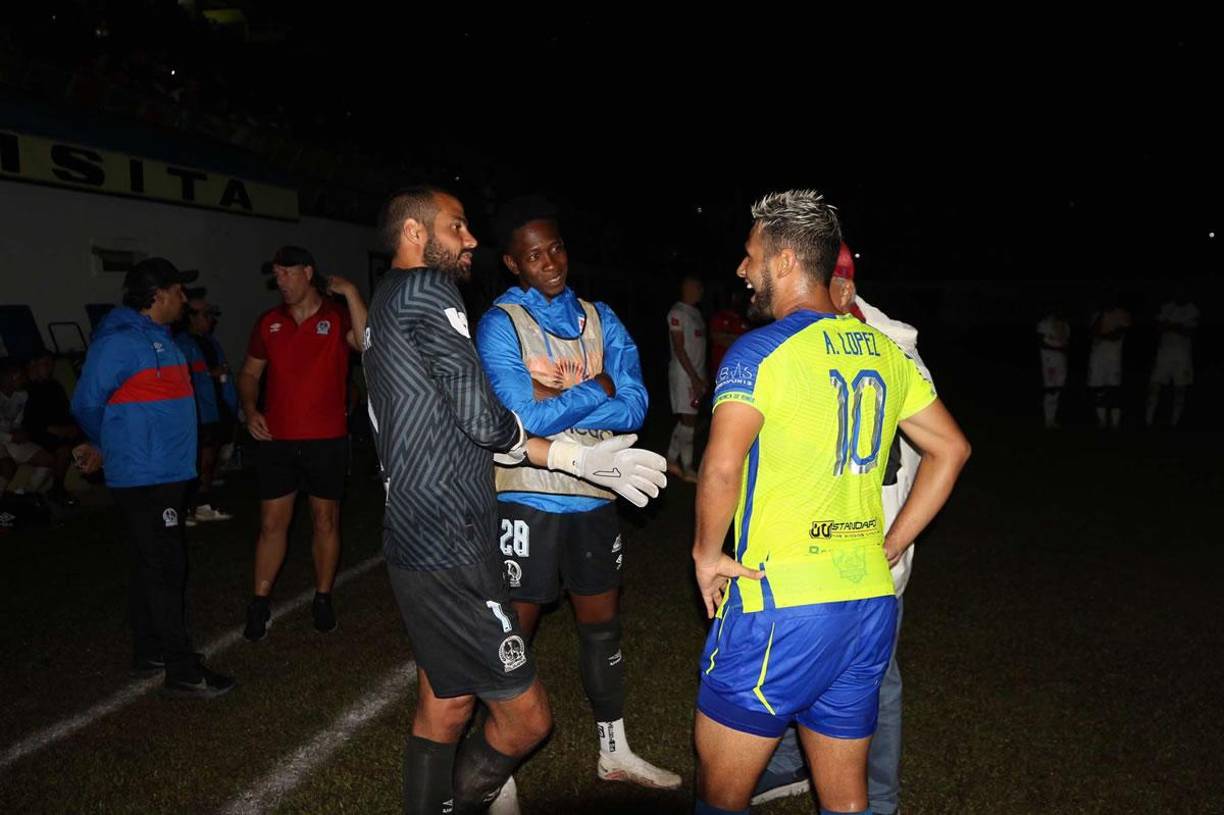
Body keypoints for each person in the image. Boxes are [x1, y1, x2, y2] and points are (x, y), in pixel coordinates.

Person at [364, 186, 666, 814]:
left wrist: (557, 421)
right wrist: (576, 443)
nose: (470, 239)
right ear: (416, 233)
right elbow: (492, 417)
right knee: (527, 718)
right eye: (457, 227)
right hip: (451, 531)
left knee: (445, 703)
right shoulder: (431, 292)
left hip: (424, 526)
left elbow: (624, 401)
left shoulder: (388, 295)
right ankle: (477, 792)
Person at [692, 191, 970, 815]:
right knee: (846, 803)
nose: (742, 269)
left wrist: (706, 554)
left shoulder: (759, 351)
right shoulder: (885, 350)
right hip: (868, 602)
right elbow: (951, 449)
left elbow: (720, 466)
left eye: (751, 255)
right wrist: (893, 543)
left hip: (781, 607)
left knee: (719, 796)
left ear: (785, 261)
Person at [475, 195, 681, 790]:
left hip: (596, 492)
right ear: (513, 263)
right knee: (513, 636)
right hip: (527, 495)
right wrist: (599, 385)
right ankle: (499, 770)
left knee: (603, 627)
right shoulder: (501, 324)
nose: (550, 263)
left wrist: (557, 396)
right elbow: (519, 419)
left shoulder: (600, 317)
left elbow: (636, 406)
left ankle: (614, 751)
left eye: (556, 248)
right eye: (534, 255)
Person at [750, 245, 933, 815]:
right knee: (803, 662)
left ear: (844, 288)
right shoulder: (807, 340)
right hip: (806, 556)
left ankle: (878, 799)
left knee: (876, 678)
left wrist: (895, 543)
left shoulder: (887, 351)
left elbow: (936, 452)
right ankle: (791, 763)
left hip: (864, 558)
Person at [70, 257, 235, 698]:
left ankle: (150, 651)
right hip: (145, 473)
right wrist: (105, 442)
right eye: (179, 291)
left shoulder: (165, 338)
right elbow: (86, 403)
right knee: (166, 565)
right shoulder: (120, 342)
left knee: (150, 564)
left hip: (167, 469)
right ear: (157, 295)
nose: (185, 298)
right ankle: (182, 669)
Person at [237, 246, 367, 640]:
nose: (280, 281)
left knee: (325, 520)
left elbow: (366, 344)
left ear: (308, 272)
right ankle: (259, 602)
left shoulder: (337, 316)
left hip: (326, 440)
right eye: (276, 274)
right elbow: (249, 374)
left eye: (287, 272)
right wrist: (250, 409)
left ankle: (323, 597)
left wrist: (352, 293)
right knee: (271, 524)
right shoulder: (269, 322)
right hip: (276, 440)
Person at [174, 289, 236, 523]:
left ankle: (202, 505)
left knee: (211, 462)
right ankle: (187, 508)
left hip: (217, 409)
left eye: (211, 314)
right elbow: (181, 378)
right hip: (198, 413)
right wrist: (210, 373)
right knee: (200, 461)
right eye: (206, 314)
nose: (211, 319)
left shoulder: (211, 342)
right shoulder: (181, 344)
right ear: (191, 317)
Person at [22, 351, 84, 505]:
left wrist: (72, 427)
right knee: (63, 449)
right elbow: (29, 421)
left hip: (61, 429)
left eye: (51, 365)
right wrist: (54, 429)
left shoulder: (54, 386)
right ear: (33, 364)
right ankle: (57, 489)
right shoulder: (25, 389)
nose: (50, 368)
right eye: (46, 364)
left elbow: (66, 411)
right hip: (39, 432)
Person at [667, 275, 706, 481]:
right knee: (689, 420)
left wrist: (702, 375)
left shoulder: (696, 313)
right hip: (684, 376)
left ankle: (671, 459)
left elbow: (699, 348)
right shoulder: (677, 313)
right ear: (687, 289)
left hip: (696, 374)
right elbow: (679, 349)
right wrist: (694, 378)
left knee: (686, 420)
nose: (700, 291)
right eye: (697, 287)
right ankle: (688, 467)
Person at [0, 359, 55, 497]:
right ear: (11, 376)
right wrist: (11, 437)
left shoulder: (22, 395)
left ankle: (26, 495)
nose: (24, 380)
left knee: (47, 460)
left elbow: (17, 422)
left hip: (10, 438)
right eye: (21, 376)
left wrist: (21, 431)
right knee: (7, 467)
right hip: (4, 439)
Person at [1145, 285, 1198, 428]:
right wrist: (1178, 327)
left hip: (1182, 357)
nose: (1180, 294)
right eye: (1178, 291)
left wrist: (1171, 326)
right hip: (1164, 355)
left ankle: (1174, 423)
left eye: (1183, 292)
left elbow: (1190, 332)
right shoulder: (1166, 307)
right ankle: (1148, 420)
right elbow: (1158, 327)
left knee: (1180, 390)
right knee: (1154, 386)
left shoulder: (1192, 309)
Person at [1087, 298, 1132, 430]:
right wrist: (1101, 316)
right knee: (1098, 389)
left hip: (1114, 359)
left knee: (1114, 390)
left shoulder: (1122, 313)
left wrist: (1101, 335)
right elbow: (1092, 332)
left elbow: (1118, 335)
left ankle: (1115, 422)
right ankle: (1102, 421)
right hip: (1097, 358)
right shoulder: (1097, 314)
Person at [1036, 310, 1071, 429]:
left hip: (1061, 362)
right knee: (1051, 389)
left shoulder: (1065, 325)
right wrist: (1059, 349)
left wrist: (1064, 352)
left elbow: (1066, 343)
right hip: (1049, 361)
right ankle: (1048, 420)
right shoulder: (1044, 323)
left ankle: (1052, 419)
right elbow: (1041, 342)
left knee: (1058, 390)